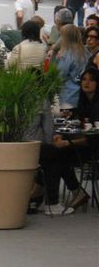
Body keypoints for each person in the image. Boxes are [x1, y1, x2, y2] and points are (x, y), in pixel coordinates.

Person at [37, 67, 97, 215]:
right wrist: (62, 137)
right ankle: (73, 193)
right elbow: (76, 127)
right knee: (52, 152)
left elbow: (93, 138)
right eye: (84, 79)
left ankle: (46, 195)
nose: (86, 83)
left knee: (54, 154)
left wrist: (67, 143)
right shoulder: (82, 103)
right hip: (82, 144)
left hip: (94, 148)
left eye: (91, 80)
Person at [56, 23, 89, 110]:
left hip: (68, 96)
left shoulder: (67, 54)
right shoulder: (85, 52)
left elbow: (60, 75)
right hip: (83, 94)